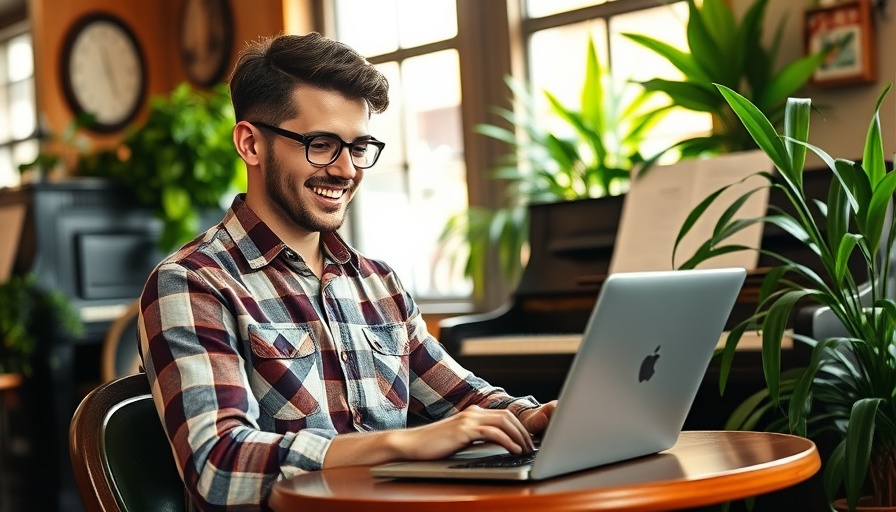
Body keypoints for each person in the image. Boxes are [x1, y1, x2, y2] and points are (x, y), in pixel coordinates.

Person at [137, 32, 556, 511]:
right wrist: (401, 444)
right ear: (250, 143)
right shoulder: (193, 281)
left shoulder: (380, 285)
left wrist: (539, 416)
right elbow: (218, 467)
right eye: (322, 144)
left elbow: (464, 400)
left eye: (359, 148)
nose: (346, 170)